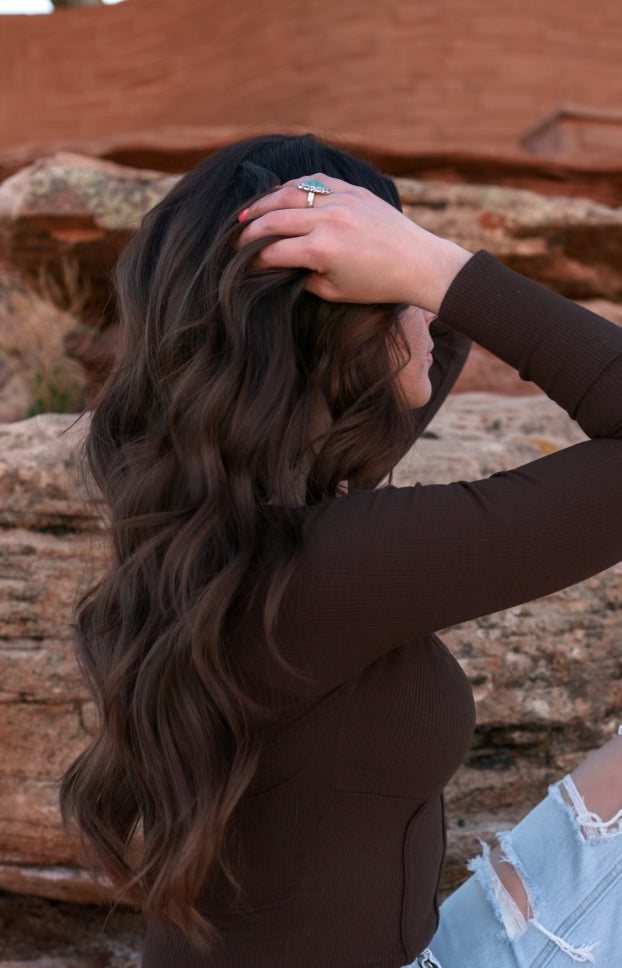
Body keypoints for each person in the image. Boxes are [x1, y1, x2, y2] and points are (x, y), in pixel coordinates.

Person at [59, 133, 622, 967]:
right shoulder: (323, 568)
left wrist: (402, 261)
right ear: (335, 323)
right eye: (397, 291)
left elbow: (414, 364)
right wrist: (438, 268)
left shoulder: (218, 530)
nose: (426, 312)